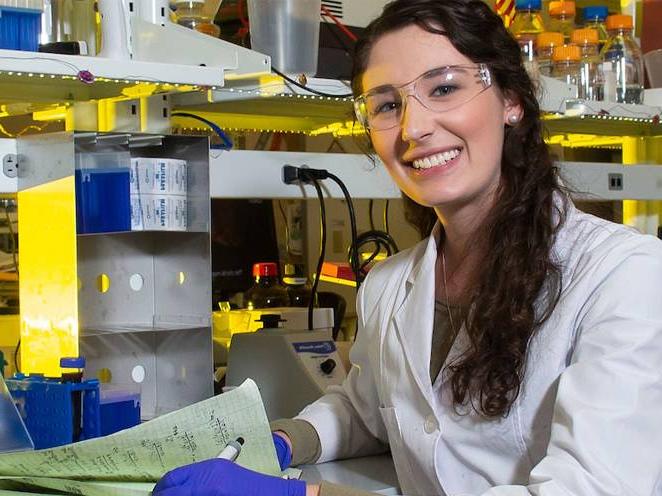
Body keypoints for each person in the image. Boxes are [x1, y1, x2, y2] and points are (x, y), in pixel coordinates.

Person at [153, 0, 662, 494]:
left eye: (444, 88)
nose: (414, 128)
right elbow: (367, 408)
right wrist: (284, 441)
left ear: (511, 100)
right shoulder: (391, 285)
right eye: (388, 105)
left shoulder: (623, 278)